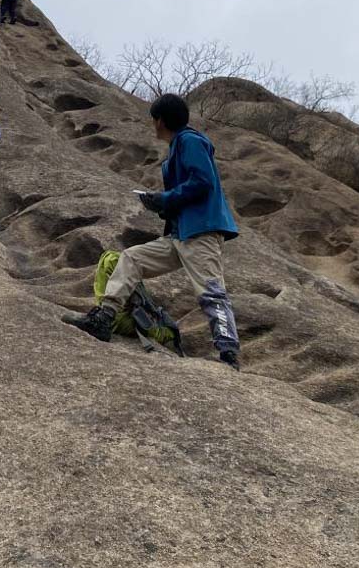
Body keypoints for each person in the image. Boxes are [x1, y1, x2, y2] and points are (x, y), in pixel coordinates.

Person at [63, 93, 242, 369]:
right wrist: (161, 204)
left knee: (211, 292)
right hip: (180, 235)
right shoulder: (177, 148)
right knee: (132, 258)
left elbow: (203, 182)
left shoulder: (189, 141)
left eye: (154, 119)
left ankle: (229, 353)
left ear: (160, 120)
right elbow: (187, 193)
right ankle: (104, 317)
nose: (153, 124)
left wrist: (167, 198)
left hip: (201, 233)